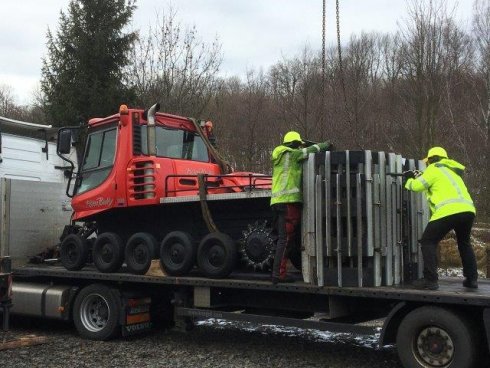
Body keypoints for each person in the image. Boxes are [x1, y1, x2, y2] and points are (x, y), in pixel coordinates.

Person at [404, 146, 477, 290]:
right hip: (468, 210)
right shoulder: (452, 172)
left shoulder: (433, 169)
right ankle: (472, 279)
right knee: (464, 243)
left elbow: (418, 186)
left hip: (448, 211)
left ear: (430, 160)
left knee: (428, 241)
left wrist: (408, 180)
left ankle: (430, 280)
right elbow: (436, 185)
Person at [270, 131, 331, 284]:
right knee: (286, 239)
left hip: (278, 202)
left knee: (282, 239)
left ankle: (278, 272)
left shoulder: (280, 155)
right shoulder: (292, 155)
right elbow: (309, 151)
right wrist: (325, 145)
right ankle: (278, 274)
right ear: (295, 144)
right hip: (288, 202)